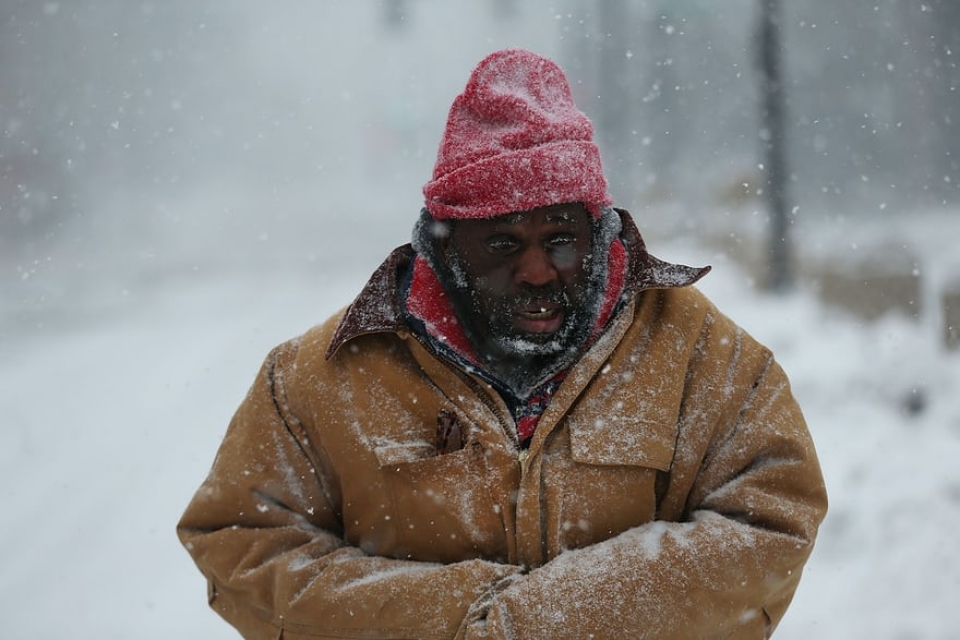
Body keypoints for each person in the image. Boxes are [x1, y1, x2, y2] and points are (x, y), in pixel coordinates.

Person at [178, 48, 827, 639]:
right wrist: (460, 616)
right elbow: (240, 539)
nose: (538, 271)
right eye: (502, 244)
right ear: (443, 248)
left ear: (599, 234)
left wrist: (556, 617)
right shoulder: (322, 376)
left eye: (561, 239)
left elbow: (770, 517)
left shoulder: (700, 355)